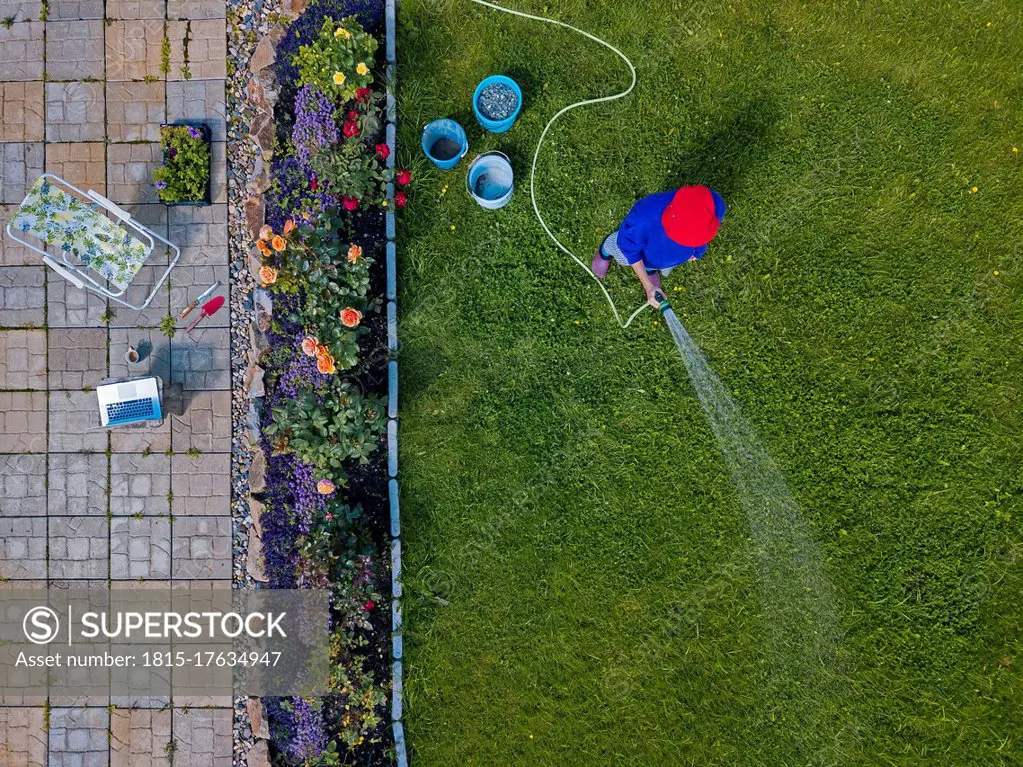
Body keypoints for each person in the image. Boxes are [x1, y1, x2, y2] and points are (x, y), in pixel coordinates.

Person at [592, 184, 726, 307]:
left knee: (654, 264)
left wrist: (697, 252)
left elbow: (703, 237)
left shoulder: (714, 205)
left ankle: (650, 270)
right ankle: (605, 252)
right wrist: (647, 286)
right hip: (633, 247)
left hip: (665, 256)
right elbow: (629, 249)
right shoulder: (644, 217)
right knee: (616, 247)